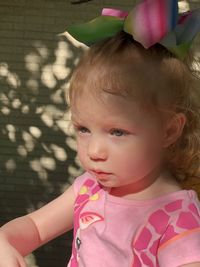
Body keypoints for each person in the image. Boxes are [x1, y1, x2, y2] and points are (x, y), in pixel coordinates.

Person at [1, 1, 200, 266]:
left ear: (169, 130)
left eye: (117, 132)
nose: (94, 151)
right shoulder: (90, 188)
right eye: (83, 129)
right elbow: (34, 228)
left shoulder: (178, 218)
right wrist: (4, 241)